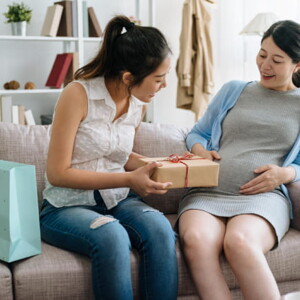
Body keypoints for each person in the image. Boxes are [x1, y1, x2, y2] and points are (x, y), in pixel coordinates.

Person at [40, 15, 178, 300]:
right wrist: (128, 179)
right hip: (66, 206)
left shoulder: (137, 103)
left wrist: (164, 165)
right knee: (112, 236)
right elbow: (58, 172)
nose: (163, 86)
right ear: (129, 77)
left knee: (161, 229)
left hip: (118, 200)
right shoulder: (78, 94)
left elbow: (119, 154)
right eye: (158, 79)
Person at [178, 20, 300, 300]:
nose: (265, 65)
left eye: (277, 60)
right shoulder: (234, 90)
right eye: (262, 54)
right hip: (208, 193)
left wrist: (286, 174)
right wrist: (200, 151)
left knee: (240, 241)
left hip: (262, 199)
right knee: (196, 240)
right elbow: (198, 132)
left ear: (298, 64)